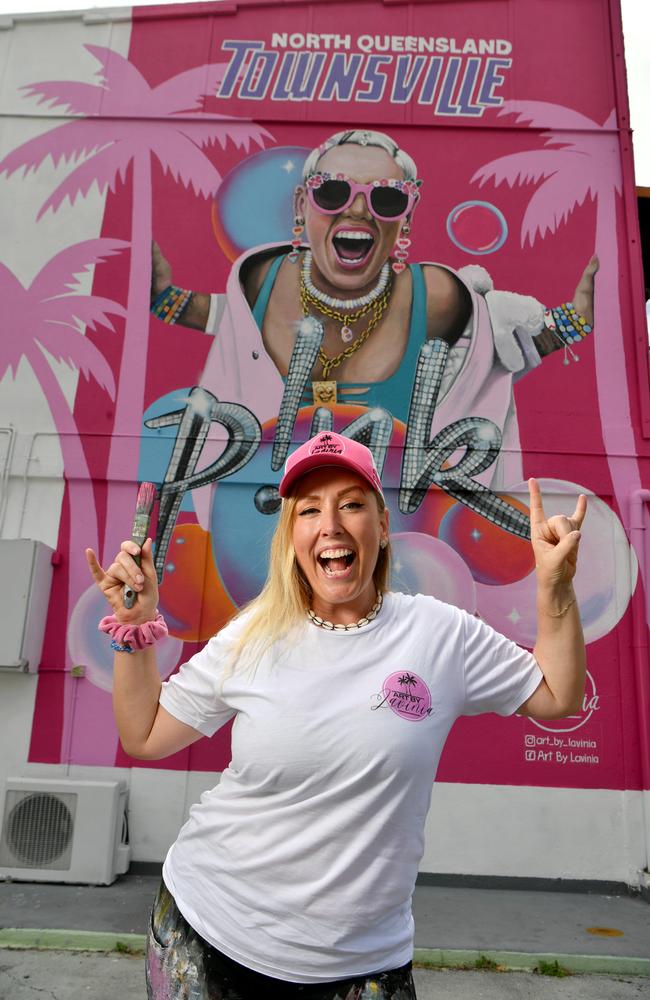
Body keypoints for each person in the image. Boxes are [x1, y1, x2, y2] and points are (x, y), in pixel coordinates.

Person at [86, 430, 587, 1000]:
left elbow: (556, 694)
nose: (331, 524)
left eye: (351, 504)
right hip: (209, 928)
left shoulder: (439, 632)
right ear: (291, 536)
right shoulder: (254, 634)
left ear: (381, 526)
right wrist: (134, 628)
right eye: (309, 510)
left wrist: (554, 589)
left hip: (361, 962)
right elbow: (145, 735)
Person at [151, 128, 598, 489]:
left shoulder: (437, 296)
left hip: (391, 535)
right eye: (333, 193)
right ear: (302, 204)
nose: (360, 210)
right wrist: (161, 295)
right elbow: (227, 321)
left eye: (386, 199)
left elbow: (497, 353)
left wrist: (575, 319)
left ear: (406, 214)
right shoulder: (261, 279)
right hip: (266, 518)